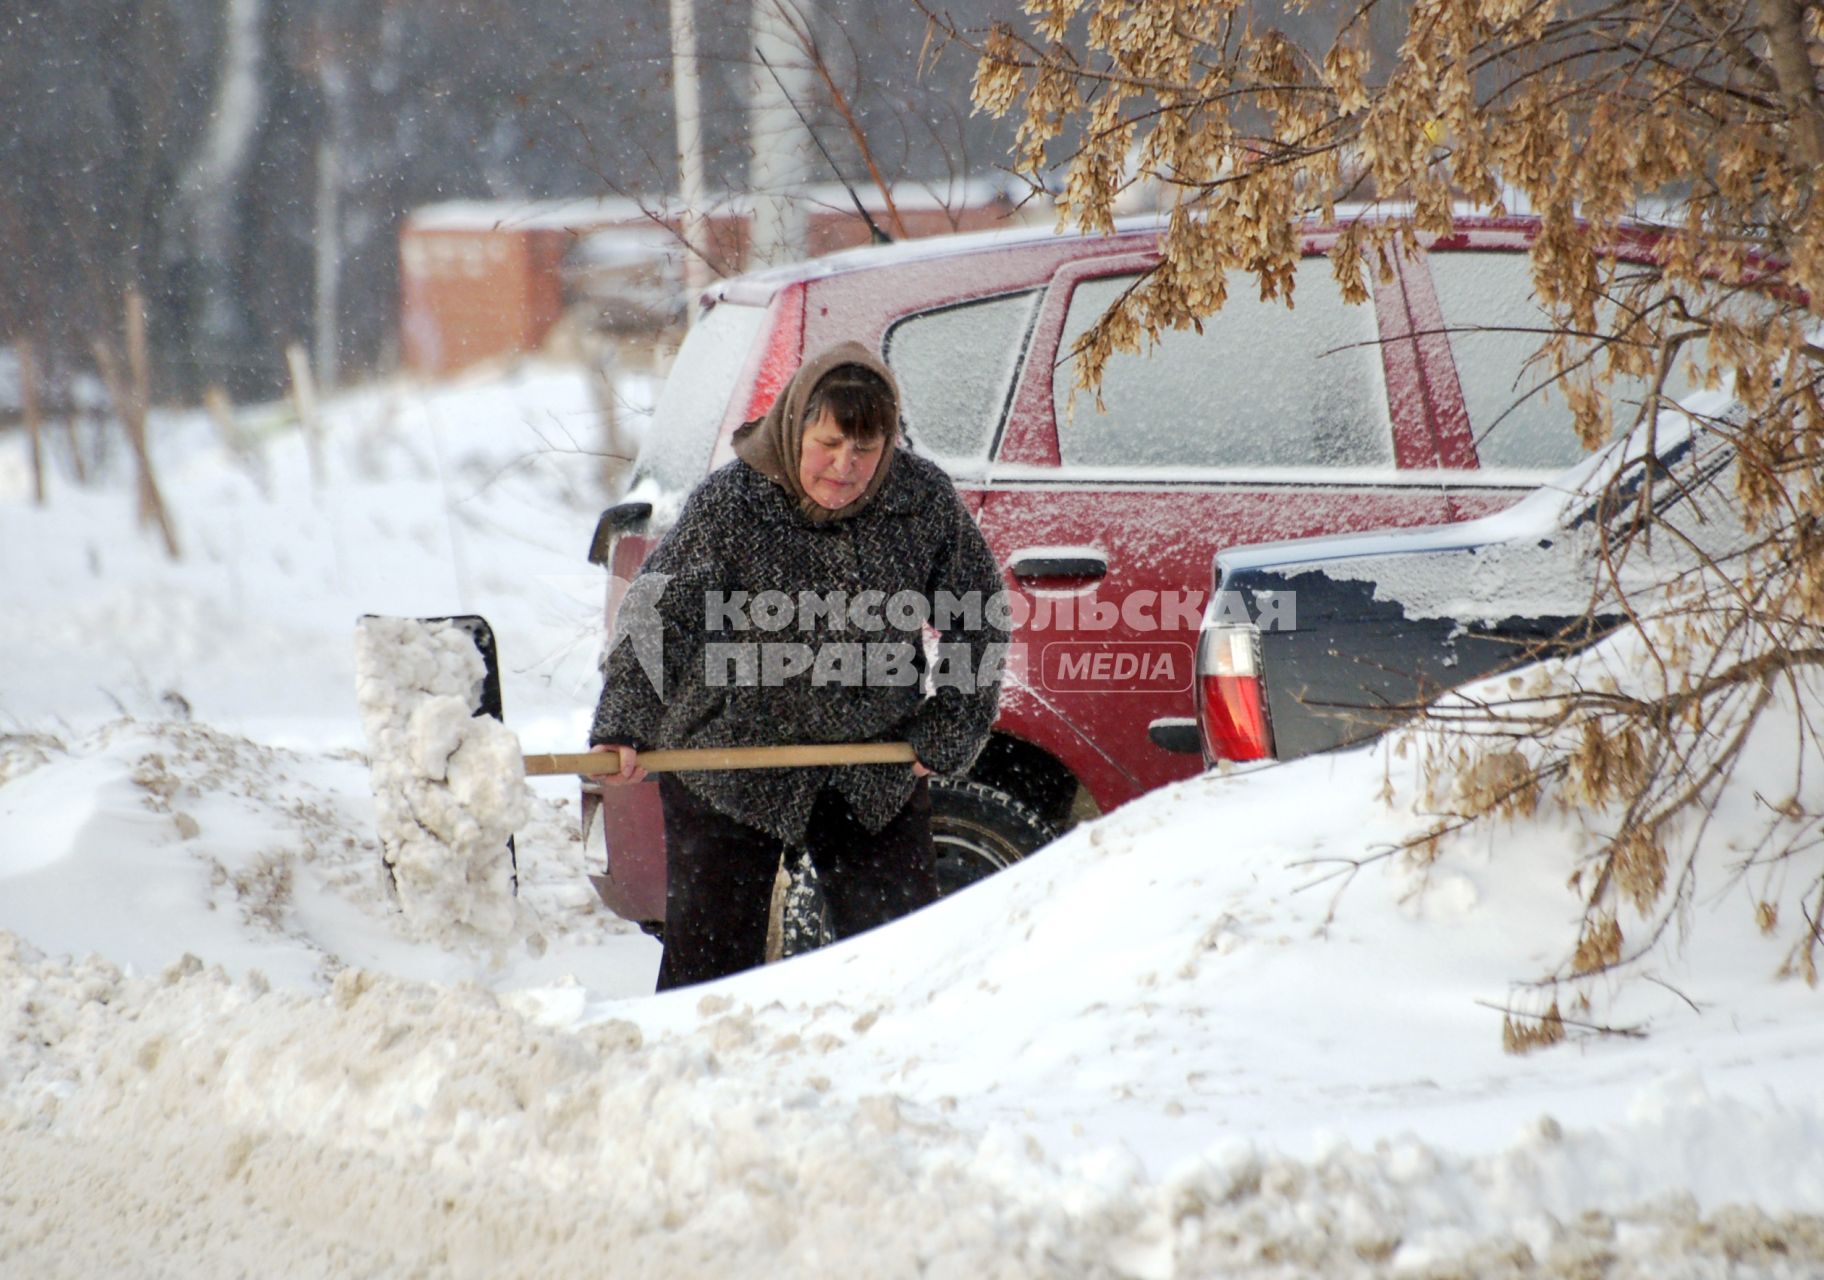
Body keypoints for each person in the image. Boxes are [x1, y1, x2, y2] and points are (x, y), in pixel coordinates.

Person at [590, 340, 1008, 990]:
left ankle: (902, 1067)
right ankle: (698, 1074)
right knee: (711, 966)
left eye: (865, 450)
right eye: (830, 444)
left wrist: (952, 723)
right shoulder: (732, 504)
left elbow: (976, 610)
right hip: (726, 757)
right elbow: (654, 618)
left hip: (867, 759)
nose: (845, 466)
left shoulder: (919, 501)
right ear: (794, 428)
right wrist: (624, 725)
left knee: (904, 954)